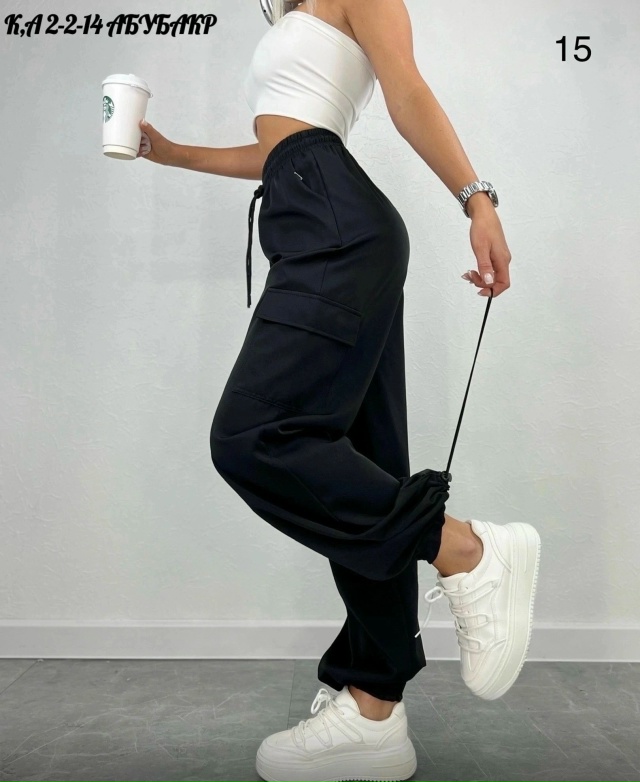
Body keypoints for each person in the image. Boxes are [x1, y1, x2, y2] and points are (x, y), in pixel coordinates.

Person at [137, 0, 541, 779]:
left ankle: (464, 547)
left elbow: (407, 91)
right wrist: (174, 153)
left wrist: (478, 198)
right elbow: (278, 148)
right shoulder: (294, 15)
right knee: (361, 459)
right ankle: (373, 709)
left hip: (334, 228)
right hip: (314, 220)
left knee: (253, 437)